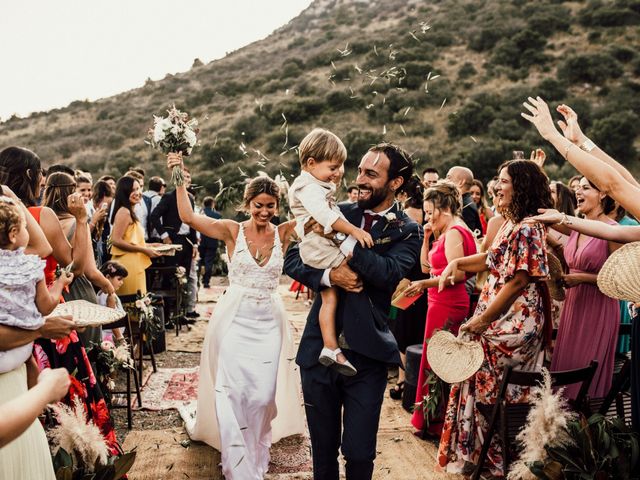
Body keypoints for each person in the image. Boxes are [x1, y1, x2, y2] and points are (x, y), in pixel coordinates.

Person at [285, 142, 422, 479]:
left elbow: (388, 273)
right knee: (323, 453)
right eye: (359, 170)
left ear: (395, 184)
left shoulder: (408, 230)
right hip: (319, 352)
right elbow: (292, 258)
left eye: (371, 174)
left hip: (368, 355)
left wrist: (345, 242)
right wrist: (330, 276)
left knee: (359, 454)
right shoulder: (334, 209)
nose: (359, 179)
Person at [167, 153, 304, 479]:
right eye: (258, 205)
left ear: (277, 206)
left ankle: (255, 445)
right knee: (231, 391)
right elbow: (187, 215)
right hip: (234, 321)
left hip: (270, 322)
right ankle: (238, 464)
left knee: (261, 395)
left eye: (271, 205)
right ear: (248, 204)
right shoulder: (231, 230)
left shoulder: (285, 232)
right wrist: (176, 172)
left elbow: (319, 216)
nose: (265, 211)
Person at [436, 159, 552, 476]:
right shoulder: (511, 224)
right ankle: (483, 454)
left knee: (486, 380)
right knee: (477, 378)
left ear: (522, 186)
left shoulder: (528, 227)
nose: (497, 186)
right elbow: (490, 258)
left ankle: (496, 457)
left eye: (503, 180)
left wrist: (482, 321)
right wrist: (456, 265)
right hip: (500, 317)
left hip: (515, 323)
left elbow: (518, 280)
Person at [289, 128, 374, 376]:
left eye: (341, 167)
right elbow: (326, 216)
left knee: (330, 297)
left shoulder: (316, 183)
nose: (339, 173)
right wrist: (353, 232)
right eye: (334, 167)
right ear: (311, 163)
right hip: (317, 247)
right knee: (356, 260)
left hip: (321, 244)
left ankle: (331, 347)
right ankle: (334, 344)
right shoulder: (307, 187)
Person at [402, 181, 477, 435]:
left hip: (449, 301)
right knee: (431, 358)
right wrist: (426, 238)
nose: (427, 216)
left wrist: (424, 284)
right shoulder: (443, 231)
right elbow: (426, 268)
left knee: (440, 361)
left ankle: (435, 422)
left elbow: (456, 275)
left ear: (444, 207)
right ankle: (430, 419)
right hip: (437, 300)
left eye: (430, 211)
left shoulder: (456, 231)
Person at [546, 177, 620, 398]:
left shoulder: (612, 230)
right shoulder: (576, 226)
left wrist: (583, 278)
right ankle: (560, 424)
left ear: (603, 194)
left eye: (586, 188)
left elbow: (618, 280)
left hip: (598, 307)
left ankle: (585, 427)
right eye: (577, 188)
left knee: (586, 369)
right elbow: (546, 217)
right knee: (566, 367)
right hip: (573, 306)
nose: (578, 192)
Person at [0, 197, 73, 375]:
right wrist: (60, 283)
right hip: (20, 347)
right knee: (32, 365)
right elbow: (46, 307)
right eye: (26, 228)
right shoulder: (30, 266)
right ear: (13, 234)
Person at [44, 173, 115, 347]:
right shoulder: (76, 224)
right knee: (87, 350)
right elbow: (89, 270)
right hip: (77, 293)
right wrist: (108, 286)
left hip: (50, 293)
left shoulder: (41, 221)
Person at [149, 169, 198, 317]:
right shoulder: (169, 197)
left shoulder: (190, 198)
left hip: (187, 242)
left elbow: (193, 222)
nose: (187, 179)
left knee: (185, 278)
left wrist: (195, 244)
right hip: (173, 241)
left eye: (189, 176)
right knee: (170, 277)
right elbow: (154, 216)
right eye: (184, 176)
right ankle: (168, 315)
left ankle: (181, 313)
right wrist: (164, 235)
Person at [110, 176, 160, 299]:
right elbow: (115, 240)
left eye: (138, 189)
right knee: (133, 302)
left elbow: (130, 240)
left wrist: (149, 245)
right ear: (124, 192)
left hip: (134, 262)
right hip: (127, 264)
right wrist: (144, 250)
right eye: (133, 190)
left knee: (139, 301)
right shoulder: (124, 212)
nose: (137, 193)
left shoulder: (129, 211)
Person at [446, 166, 483, 237]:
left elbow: (464, 237)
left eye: (449, 177)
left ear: (461, 182)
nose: (445, 180)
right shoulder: (464, 202)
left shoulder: (466, 206)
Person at [97, 261, 128, 346]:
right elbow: (112, 320)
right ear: (107, 277)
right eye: (119, 279)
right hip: (110, 338)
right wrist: (120, 338)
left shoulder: (104, 293)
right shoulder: (108, 296)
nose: (122, 282)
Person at [199, 196, 222, 289]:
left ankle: (198, 280)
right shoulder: (217, 216)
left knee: (199, 261)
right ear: (212, 204)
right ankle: (206, 282)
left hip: (201, 240)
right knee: (209, 262)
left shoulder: (199, 214)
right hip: (212, 241)